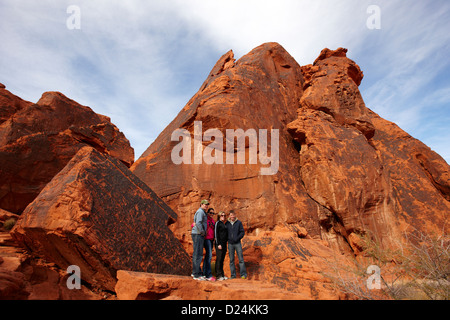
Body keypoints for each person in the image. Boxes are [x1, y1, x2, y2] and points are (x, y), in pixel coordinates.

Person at [191, 199, 209, 280]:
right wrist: (202, 232)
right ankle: (196, 274)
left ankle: (196, 272)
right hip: (198, 234)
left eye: (207, 204)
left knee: (198, 254)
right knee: (198, 254)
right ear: (201, 204)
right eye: (204, 204)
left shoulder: (202, 212)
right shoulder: (200, 212)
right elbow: (198, 223)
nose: (206, 205)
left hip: (198, 234)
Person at [227, 210, 247, 279]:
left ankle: (243, 275)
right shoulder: (227, 223)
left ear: (235, 215)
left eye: (233, 215)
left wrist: (237, 238)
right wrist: (228, 239)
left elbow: (242, 232)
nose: (232, 216)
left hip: (237, 243)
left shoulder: (238, 223)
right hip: (230, 244)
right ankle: (233, 275)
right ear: (229, 216)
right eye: (231, 215)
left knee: (241, 259)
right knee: (231, 260)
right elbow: (225, 232)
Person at [214, 211, 229, 281]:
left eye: (224, 215)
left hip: (224, 244)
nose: (223, 216)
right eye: (222, 215)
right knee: (219, 259)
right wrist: (218, 244)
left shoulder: (224, 224)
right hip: (219, 244)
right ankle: (218, 275)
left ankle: (222, 275)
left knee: (222, 259)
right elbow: (216, 234)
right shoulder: (218, 223)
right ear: (219, 216)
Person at [202, 208, 216, 281]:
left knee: (207, 256)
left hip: (211, 239)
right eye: (210, 213)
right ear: (207, 213)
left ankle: (204, 274)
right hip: (206, 239)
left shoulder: (213, 220)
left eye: (213, 213)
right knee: (209, 256)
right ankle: (209, 274)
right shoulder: (205, 219)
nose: (212, 214)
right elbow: (197, 223)